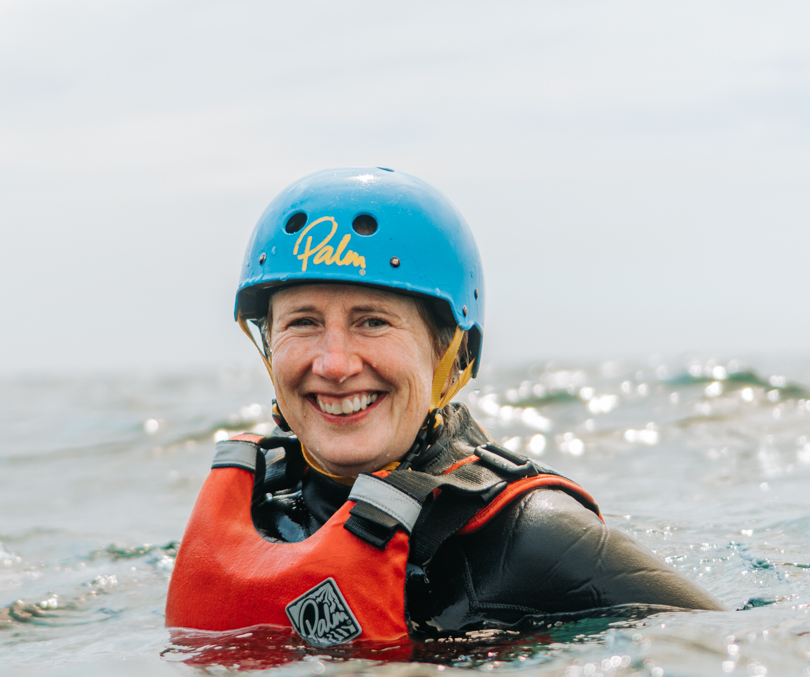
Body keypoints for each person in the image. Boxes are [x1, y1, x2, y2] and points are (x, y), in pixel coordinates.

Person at [165, 167, 724, 649]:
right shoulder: (258, 511)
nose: (334, 364)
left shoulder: (533, 537)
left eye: (373, 321)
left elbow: (722, 653)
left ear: (449, 355)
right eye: (303, 323)